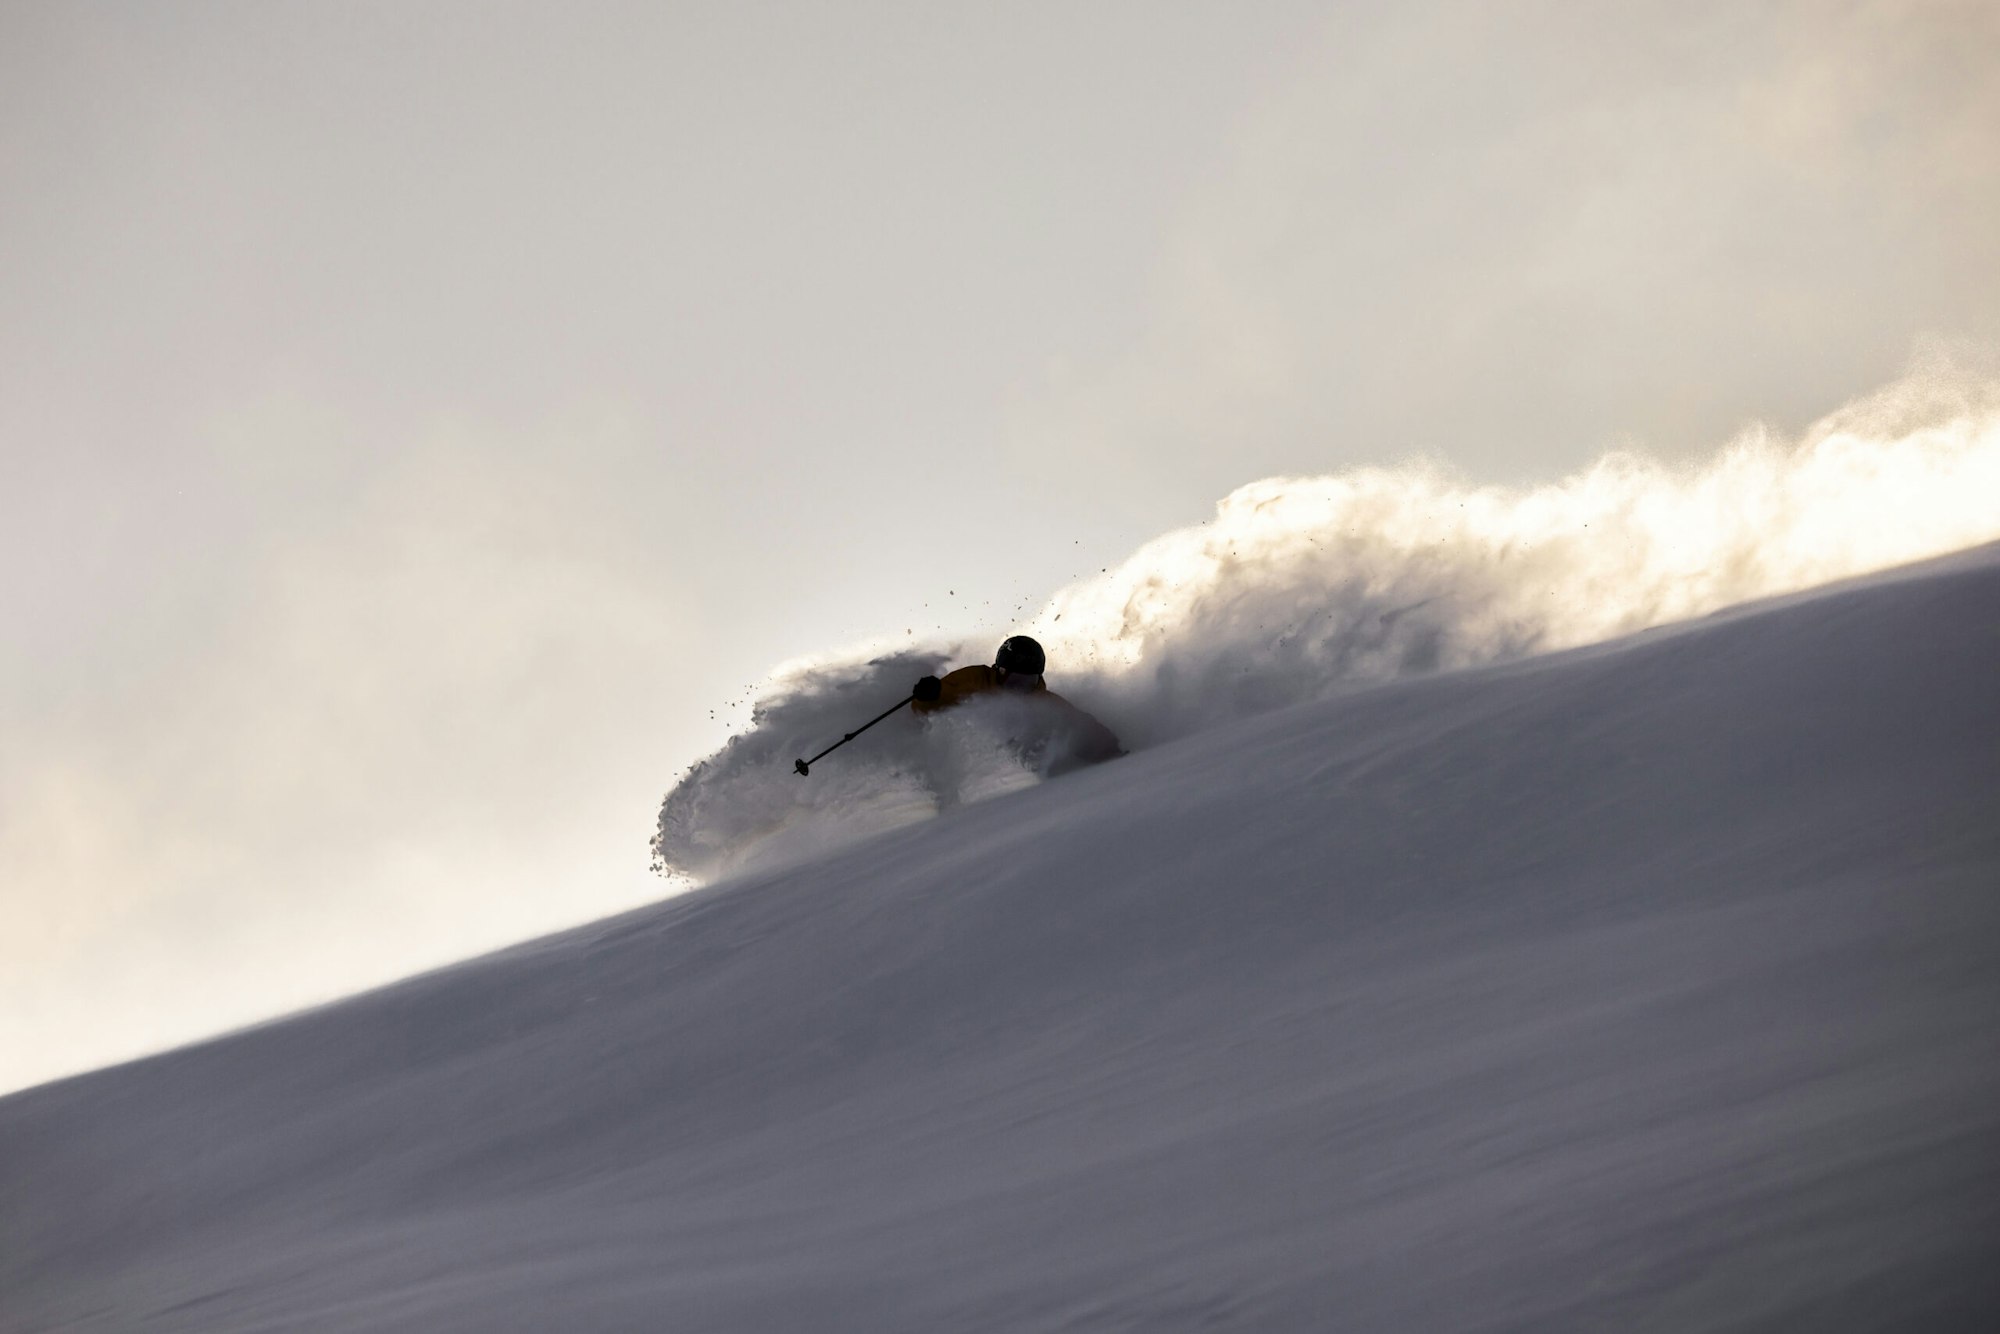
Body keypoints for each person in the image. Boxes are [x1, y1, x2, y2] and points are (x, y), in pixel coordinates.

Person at [912, 635, 1123, 771]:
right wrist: (930, 694)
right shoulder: (975, 680)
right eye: (1014, 681)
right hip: (968, 761)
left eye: (1028, 682)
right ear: (1000, 671)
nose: (1019, 690)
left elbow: (1079, 725)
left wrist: (1110, 751)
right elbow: (931, 702)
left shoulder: (1042, 703)